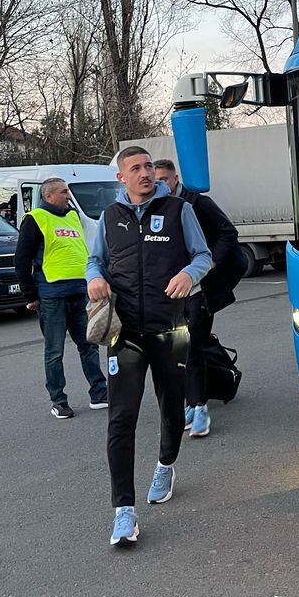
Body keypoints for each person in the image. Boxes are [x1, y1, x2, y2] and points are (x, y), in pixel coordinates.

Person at [87, 146, 212, 548]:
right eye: (136, 169)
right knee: (121, 417)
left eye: (148, 167)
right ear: (121, 178)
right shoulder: (110, 217)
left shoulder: (179, 210)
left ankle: (166, 464)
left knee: (171, 406)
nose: (145, 174)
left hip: (170, 327)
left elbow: (203, 255)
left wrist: (189, 274)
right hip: (124, 332)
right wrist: (94, 279)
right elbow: (94, 261)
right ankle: (123, 511)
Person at [153, 158, 247, 439]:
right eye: (156, 181)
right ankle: (194, 402)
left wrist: (211, 264)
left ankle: (198, 405)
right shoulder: (158, 207)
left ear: (175, 178)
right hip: (176, 288)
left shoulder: (198, 203)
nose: (160, 185)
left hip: (204, 285)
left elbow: (228, 233)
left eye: (164, 180)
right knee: (184, 347)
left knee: (192, 343)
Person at [14, 177, 108, 420]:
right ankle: (59, 400)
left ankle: (99, 394)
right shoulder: (35, 219)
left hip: (79, 292)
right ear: (49, 196)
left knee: (89, 346)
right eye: (64, 191)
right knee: (54, 351)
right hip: (52, 296)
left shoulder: (73, 216)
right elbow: (21, 259)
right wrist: (30, 294)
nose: (68, 195)